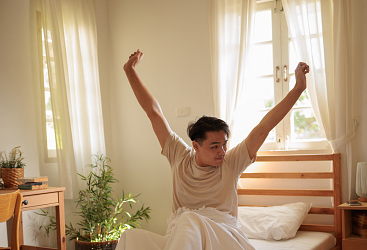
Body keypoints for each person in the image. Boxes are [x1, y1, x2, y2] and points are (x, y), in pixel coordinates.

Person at [123, 49, 309, 223]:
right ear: (195, 146)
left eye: (224, 144)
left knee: (188, 226)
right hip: (184, 237)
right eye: (214, 146)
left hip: (221, 235)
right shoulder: (179, 156)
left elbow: (263, 128)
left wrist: (298, 88)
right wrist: (130, 70)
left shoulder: (231, 162)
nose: (222, 151)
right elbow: (154, 113)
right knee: (137, 239)